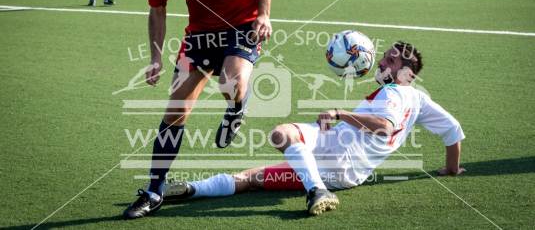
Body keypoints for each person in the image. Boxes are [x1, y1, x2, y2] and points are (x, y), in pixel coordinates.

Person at [162, 42, 466, 216]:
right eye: (385, 55)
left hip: (335, 153)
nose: (382, 61)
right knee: (253, 177)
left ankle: (316, 189)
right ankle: (193, 189)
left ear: (404, 73)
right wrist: (452, 169)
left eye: (390, 59)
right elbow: (453, 130)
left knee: (282, 133)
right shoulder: (419, 98)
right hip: (342, 172)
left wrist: (340, 113)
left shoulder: (393, 93)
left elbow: (385, 127)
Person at [123, 0, 273, 219]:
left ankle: (236, 107)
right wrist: (156, 57)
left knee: (231, 83)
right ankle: (154, 190)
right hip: (201, 35)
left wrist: (263, 14)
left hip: (241, 26)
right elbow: (157, 9)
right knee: (175, 111)